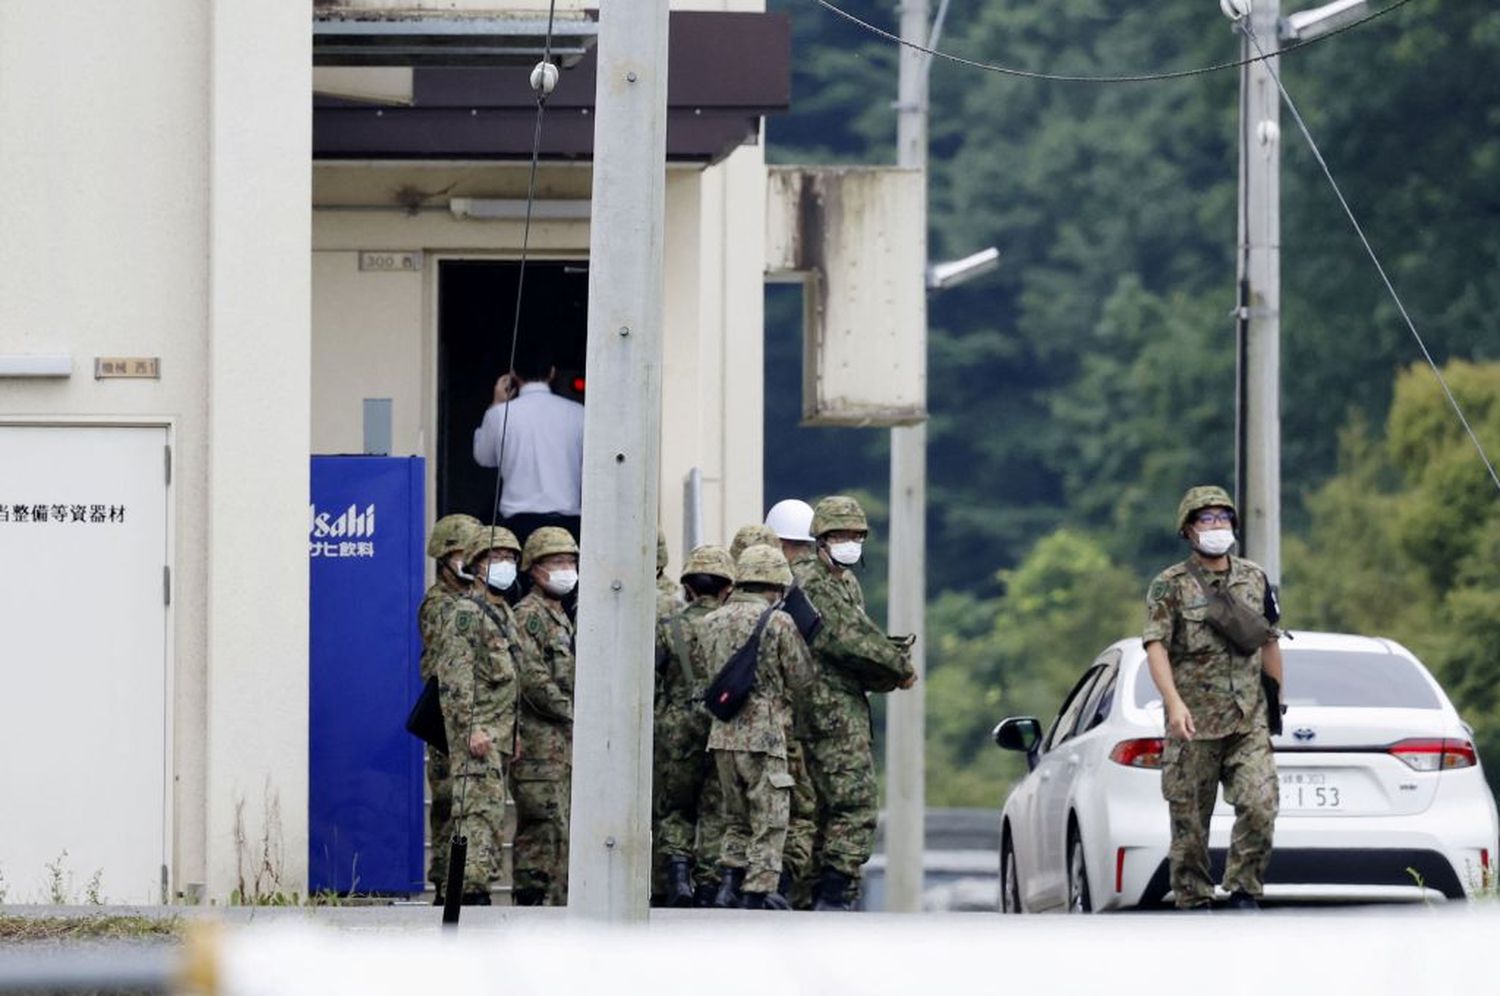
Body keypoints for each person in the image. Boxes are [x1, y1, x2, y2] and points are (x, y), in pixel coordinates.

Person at [1144, 485, 1283, 911]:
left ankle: (1244, 890)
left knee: (1260, 805)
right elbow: (1156, 647)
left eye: (1223, 517)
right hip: (1194, 725)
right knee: (1189, 827)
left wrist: (1275, 703)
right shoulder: (1170, 585)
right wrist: (1173, 704)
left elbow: (1269, 641)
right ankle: (1195, 900)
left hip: (1247, 720)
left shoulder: (1254, 578)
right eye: (1206, 519)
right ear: (1188, 530)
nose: (1217, 525)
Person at [799, 495, 917, 910]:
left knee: (828, 803)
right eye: (840, 535)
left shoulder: (844, 582)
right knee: (854, 799)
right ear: (820, 539)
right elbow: (849, 639)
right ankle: (833, 889)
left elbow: (861, 636)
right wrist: (897, 664)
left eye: (855, 536)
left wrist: (886, 662)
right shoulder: (811, 580)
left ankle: (830, 891)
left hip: (843, 702)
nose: (849, 542)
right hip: (823, 708)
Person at [702, 544, 816, 910]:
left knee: (735, 818)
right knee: (770, 817)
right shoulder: (778, 621)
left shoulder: (710, 621)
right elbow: (801, 677)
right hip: (764, 736)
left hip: (722, 735)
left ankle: (727, 885)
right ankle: (758, 891)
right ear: (776, 585)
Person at [433, 526, 524, 904]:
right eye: (494, 558)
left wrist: (513, 733)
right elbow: (455, 678)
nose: (504, 564)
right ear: (475, 565)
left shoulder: (503, 613)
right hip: (478, 733)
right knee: (473, 816)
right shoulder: (467, 614)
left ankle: (476, 887)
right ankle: (465, 892)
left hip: (499, 735)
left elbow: (508, 682)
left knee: (489, 815)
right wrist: (470, 728)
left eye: (509, 558)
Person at [652, 544, 735, 907]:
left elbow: (650, 675)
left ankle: (678, 876)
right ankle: (709, 883)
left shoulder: (670, 628)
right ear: (726, 589)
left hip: (676, 727)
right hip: (721, 724)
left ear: (686, 589)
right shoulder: (732, 626)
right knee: (715, 806)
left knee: (675, 806)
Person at [510, 526, 579, 905]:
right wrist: (574, 713)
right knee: (542, 831)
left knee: (561, 832)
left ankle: (555, 905)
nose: (566, 568)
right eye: (557, 562)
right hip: (540, 747)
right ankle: (532, 906)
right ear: (534, 568)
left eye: (570, 561)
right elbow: (533, 679)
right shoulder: (529, 616)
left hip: (561, 748)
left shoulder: (559, 615)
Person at [417, 512, 483, 901]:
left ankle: (451, 881)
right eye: (463, 553)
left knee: (461, 804)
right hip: (447, 716)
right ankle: (448, 882)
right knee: (451, 802)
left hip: (468, 711)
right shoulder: (441, 604)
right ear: (444, 558)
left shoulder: (472, 601)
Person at [763, 498, 821, 908]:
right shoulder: (789, 606)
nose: (796, 557)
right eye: (791, 547)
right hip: (781, 724)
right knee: (792, 808)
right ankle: (775, 885)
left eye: (802, 548)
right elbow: (803, 674)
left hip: (735, 725)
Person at [471, 344, 585, 546]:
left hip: (519, 524)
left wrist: (497, 403)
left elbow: (484, 458)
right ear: (552, 373)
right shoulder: (578, 413)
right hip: (569, 524)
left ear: (513, 374)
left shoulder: (500, 414)